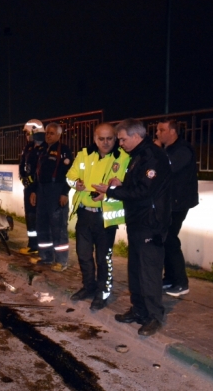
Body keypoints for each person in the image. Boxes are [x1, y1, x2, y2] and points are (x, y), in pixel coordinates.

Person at [92, 119, 172, 337]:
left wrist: (111, 192)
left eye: (122, 139)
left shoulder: (152, 157)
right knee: (135, 269)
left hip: (151, 223)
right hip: (138, 221)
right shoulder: (139, 155)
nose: (120, 143)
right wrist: (120, 186)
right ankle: (139, 310)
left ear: (136, 136)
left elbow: (144, 192)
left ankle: (154, 316)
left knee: (149, 272)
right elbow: (136, 187)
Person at [66, 123, 130, 310]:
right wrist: (75, 183)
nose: (105, 142)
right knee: (84, 255)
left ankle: (103, 292)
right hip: (85, 214)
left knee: (104, 258)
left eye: (110, 138)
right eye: (101, 138)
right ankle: (89, 286)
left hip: (106, 216)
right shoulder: (84, 154)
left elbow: (126, 185)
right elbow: (70, 175)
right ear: (95, 138)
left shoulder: (123, 157)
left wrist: (109, 193)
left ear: (115, 138)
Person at [155, 119, 199, 297]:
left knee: (170, 240)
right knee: (166, 240)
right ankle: (170, 278)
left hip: (178, 204)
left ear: (172, 132)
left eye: (161, 130)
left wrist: (156, 151)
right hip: (169, 202)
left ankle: (181, 282)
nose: (157, 133)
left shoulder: (183, 149)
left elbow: (169, 167)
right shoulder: (170, 149)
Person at [28, 122, 74, 272]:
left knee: (58, 226)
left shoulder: (64, 151)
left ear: (59, 135)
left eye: (51, 133)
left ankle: (61, 261)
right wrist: (34, 191)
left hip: (56, 190)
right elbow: (37, 173)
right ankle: (46, 257)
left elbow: (70, 175)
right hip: (41, 190)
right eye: (47, 133)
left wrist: (64, 193)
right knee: (42, 225)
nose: (48, 135)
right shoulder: (42, 151)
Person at [18, 119, 45, 254]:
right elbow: (22, 164)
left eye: (28, 133)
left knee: (36, 216)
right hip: (28, 187)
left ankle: (39, 246)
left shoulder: (43, 148)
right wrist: (23, 177)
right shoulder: (28, 147)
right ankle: (32, 244)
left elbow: (40, 170)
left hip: (37, 189)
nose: (26, 136)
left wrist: (33, 183)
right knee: (29, 215)